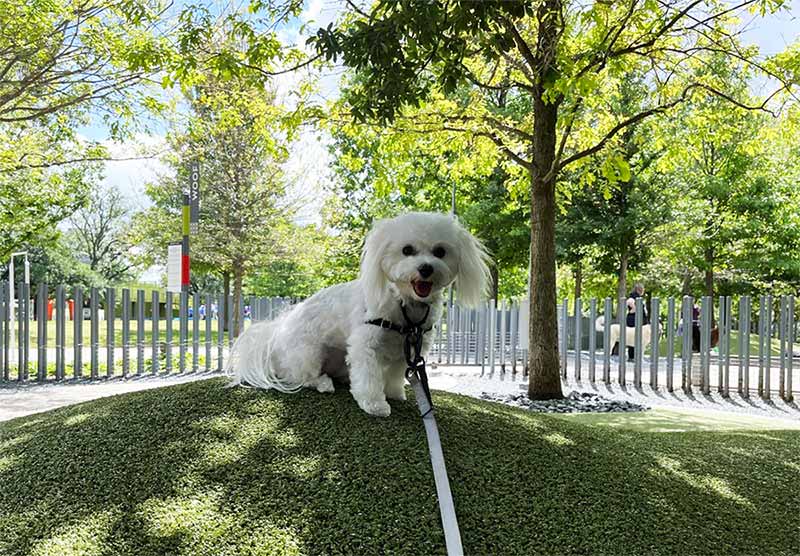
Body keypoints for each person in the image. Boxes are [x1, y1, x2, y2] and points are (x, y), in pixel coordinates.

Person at [625, 283, 649, 361]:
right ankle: (632, 356)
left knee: (635, 337)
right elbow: (630, 304)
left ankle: (633, 356)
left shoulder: (637, 297)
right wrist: (634, 309)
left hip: (636, 319)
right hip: (634, 319)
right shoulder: (634, 297)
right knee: (633, 337)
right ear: (640, 289)